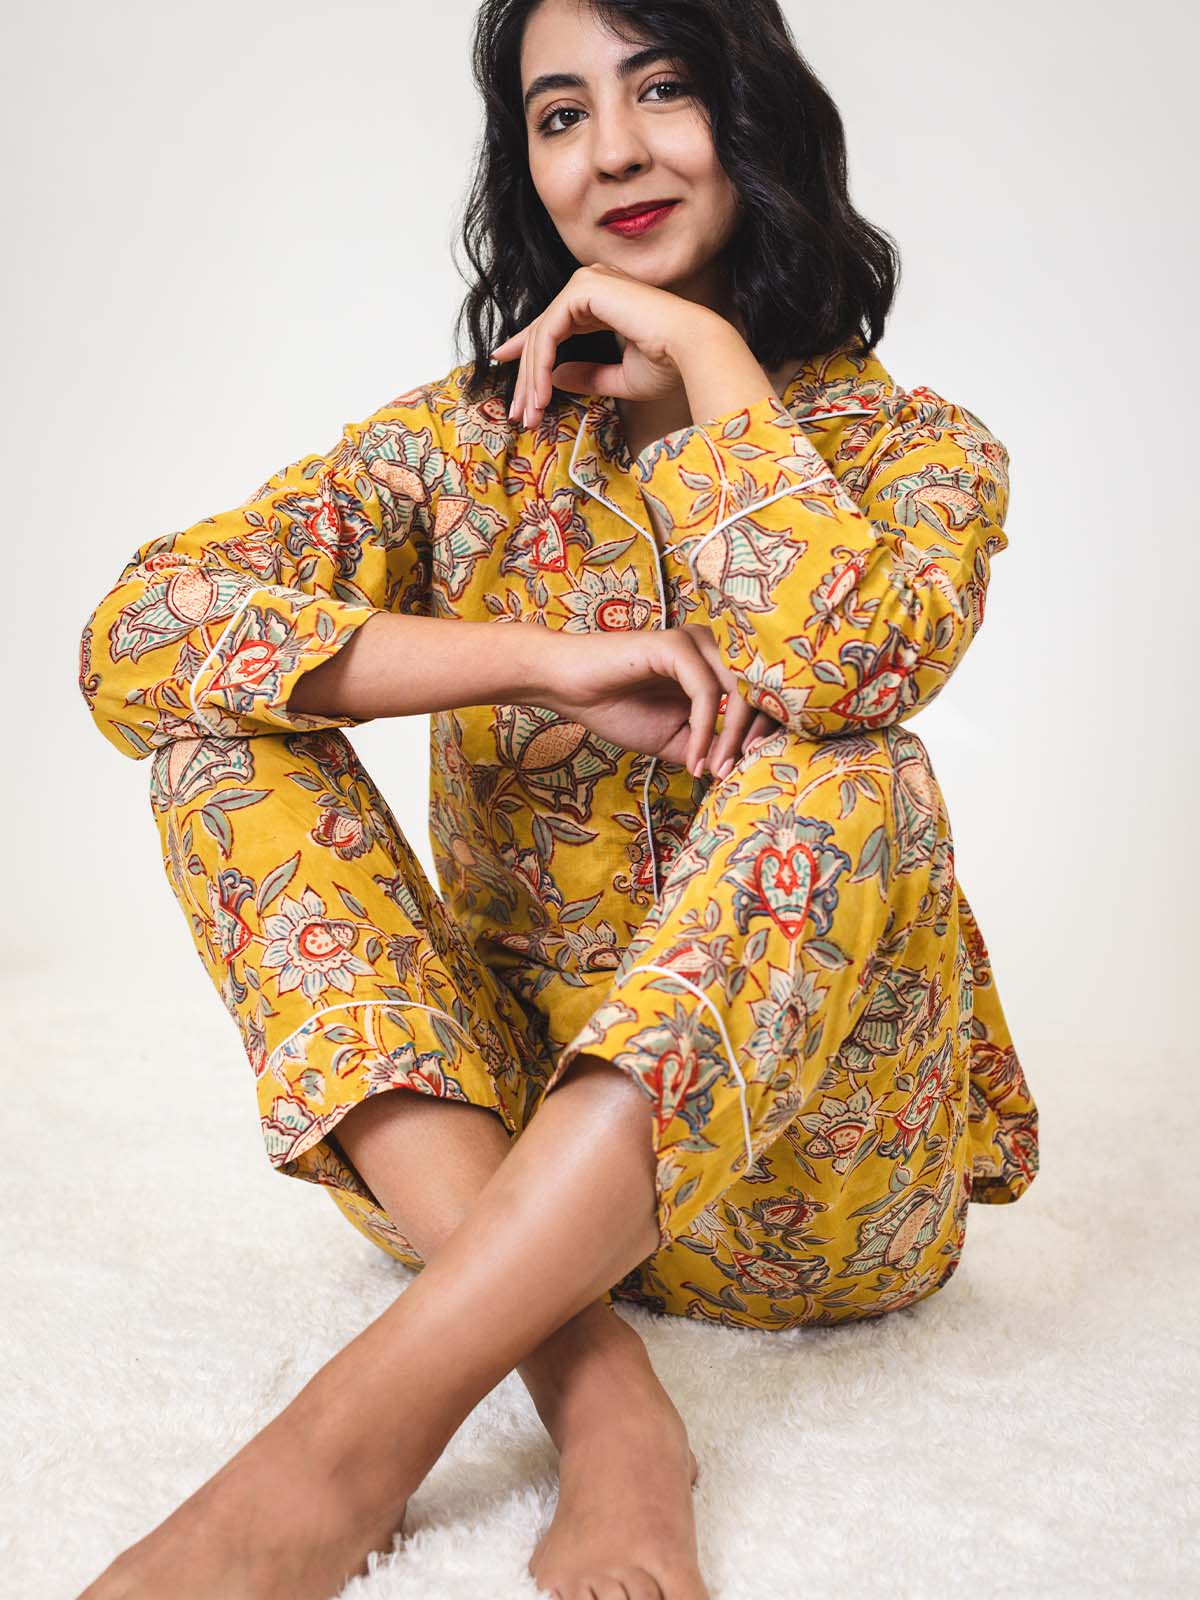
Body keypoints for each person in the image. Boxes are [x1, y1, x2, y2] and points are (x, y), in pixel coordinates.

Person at [74, 0, 1040, 1596]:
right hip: (484, 1175)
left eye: (663, 90)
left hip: (818, 1202)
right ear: (523, 165)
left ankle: (336, 1447)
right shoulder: (460, 447)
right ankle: (603, 1402)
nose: (616, 151)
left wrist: (710, 360)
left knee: (853, 759)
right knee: (217, 734)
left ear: (754, 114)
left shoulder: (920, 450)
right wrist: (539, 662)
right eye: (561, 113)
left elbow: (852, 660)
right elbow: (134, 637)